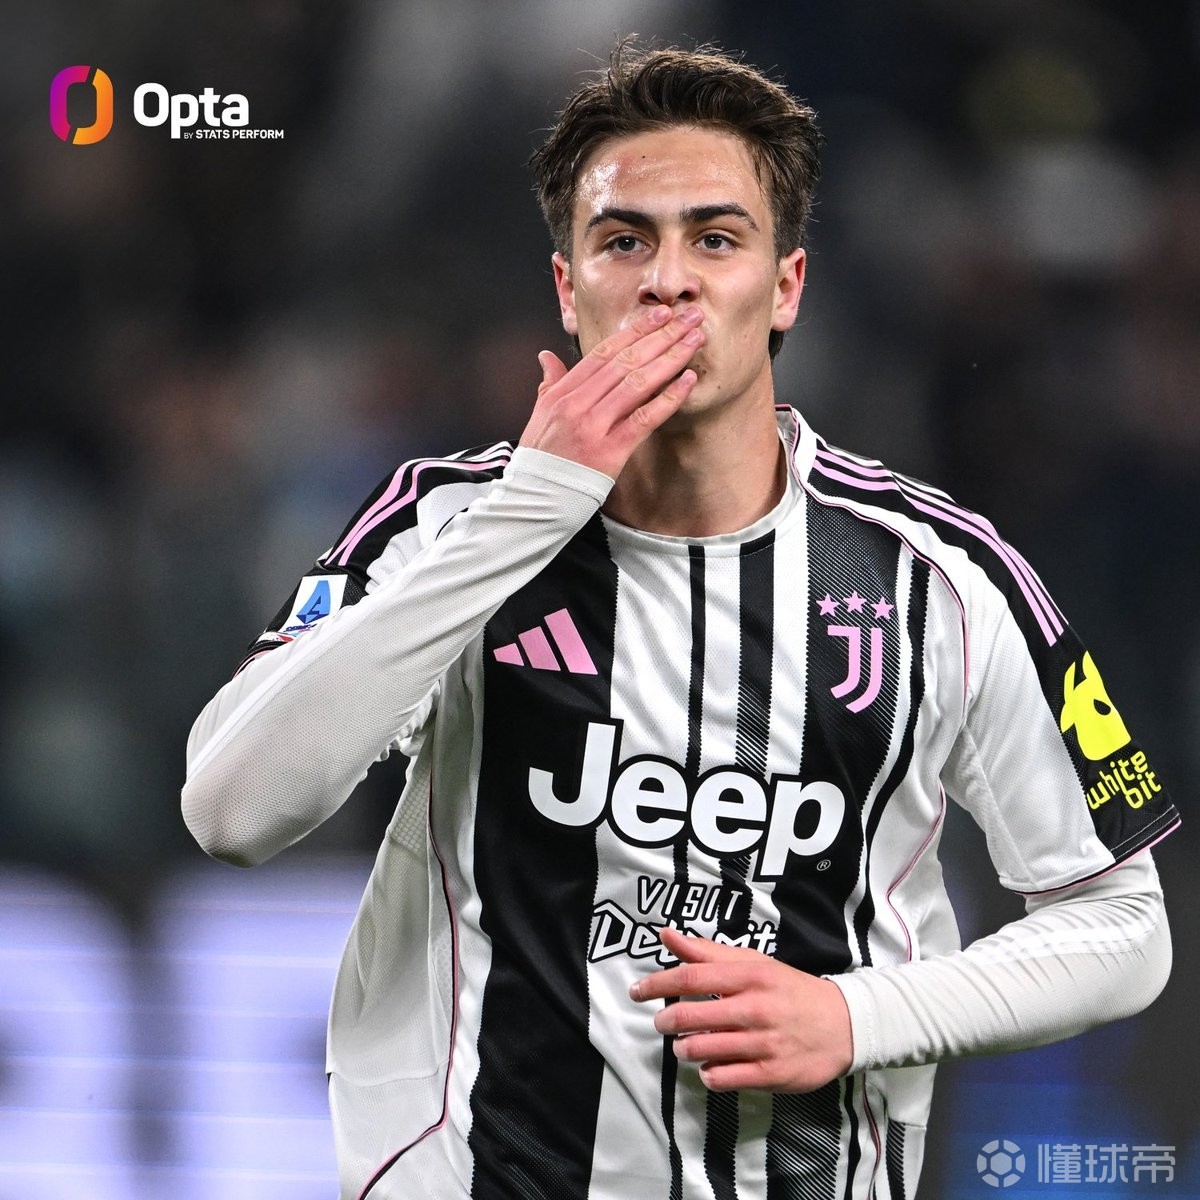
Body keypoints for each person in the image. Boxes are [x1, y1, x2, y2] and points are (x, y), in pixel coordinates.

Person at [182, 41, 1178, 1200]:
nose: (668, 281)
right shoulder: (440, 523)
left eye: (715, 239)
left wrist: (854, 1017)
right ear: (569, 289)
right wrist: (531, 509)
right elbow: (232, 808)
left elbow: (1123, 927)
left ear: (786, 286)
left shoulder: (939, 577)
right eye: (623, 241)